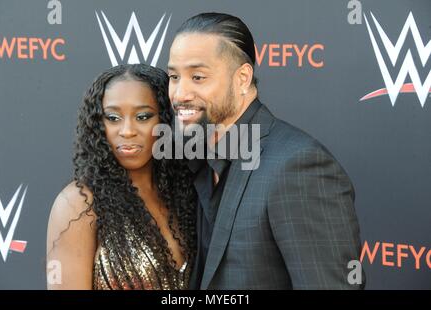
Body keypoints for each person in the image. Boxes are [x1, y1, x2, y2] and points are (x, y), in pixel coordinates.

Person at [167, 12, 365, 289]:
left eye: (198, 77)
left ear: (243, 78)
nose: (179, 93)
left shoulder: (297, 166)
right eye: (174, 76)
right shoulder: (195, 156)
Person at [46, 64, 197, 290]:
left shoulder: (186, 194)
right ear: (99, 124)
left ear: (166, 121)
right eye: (113, 117)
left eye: (143, 116)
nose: (127, 131)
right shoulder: (78, 204)